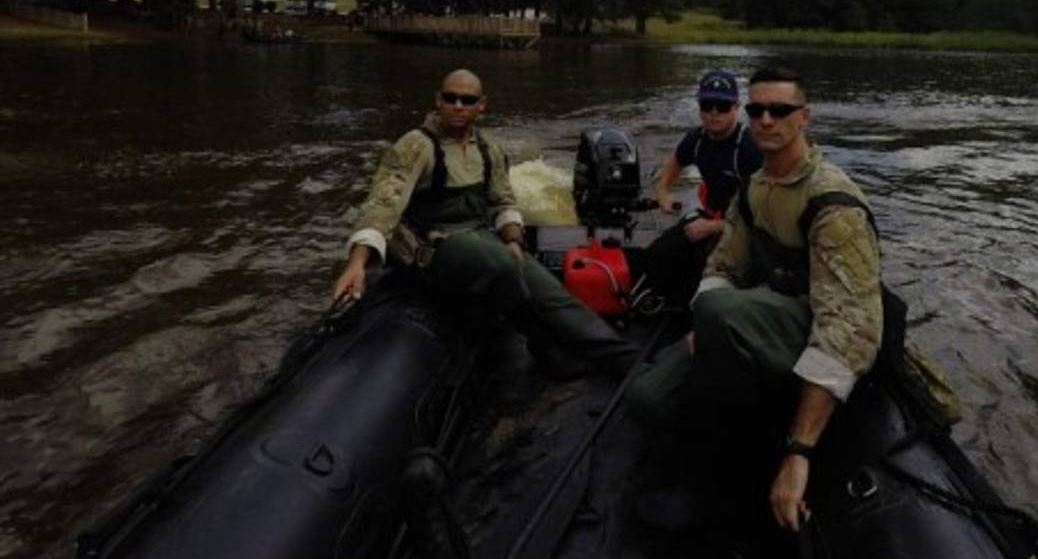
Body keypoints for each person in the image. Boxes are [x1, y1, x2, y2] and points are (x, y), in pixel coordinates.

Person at [628, 65, 883, 534]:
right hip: (762, 313)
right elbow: (722, 266)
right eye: (758, 109)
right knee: (646, 398)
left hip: (811, 324)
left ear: (803, 117)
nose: (766, 119)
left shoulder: (832, 202)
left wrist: (799, 450)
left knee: (720, 312)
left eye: (779, 110)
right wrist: (703, 327)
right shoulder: (753, 190)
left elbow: (851, 326)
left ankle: (725, 462)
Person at [332, 68, 638, 377]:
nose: (458, 106)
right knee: (501, 263)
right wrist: (357, 262)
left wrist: (515, 240)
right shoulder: (415, 147)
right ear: (438, 100)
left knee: (546, 287)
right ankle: (544, 347)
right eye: (450, 98)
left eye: (467, 100)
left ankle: (626, 359)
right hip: (432, 248)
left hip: (481, 237)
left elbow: (503, 202)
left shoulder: (489, 149)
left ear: (482, 105)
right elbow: (382, 206)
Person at [640, 69, 762, 304]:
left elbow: (764, 214)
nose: (714, 113)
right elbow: (674, 164)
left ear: (737, 108)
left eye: (722, 106)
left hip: (746, 229)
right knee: (656, 256)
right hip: (711, 216)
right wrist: (663, 192)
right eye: (707, 105)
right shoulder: (696, 139)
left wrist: (715, 227)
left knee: (711, 285)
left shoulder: (749, 148)